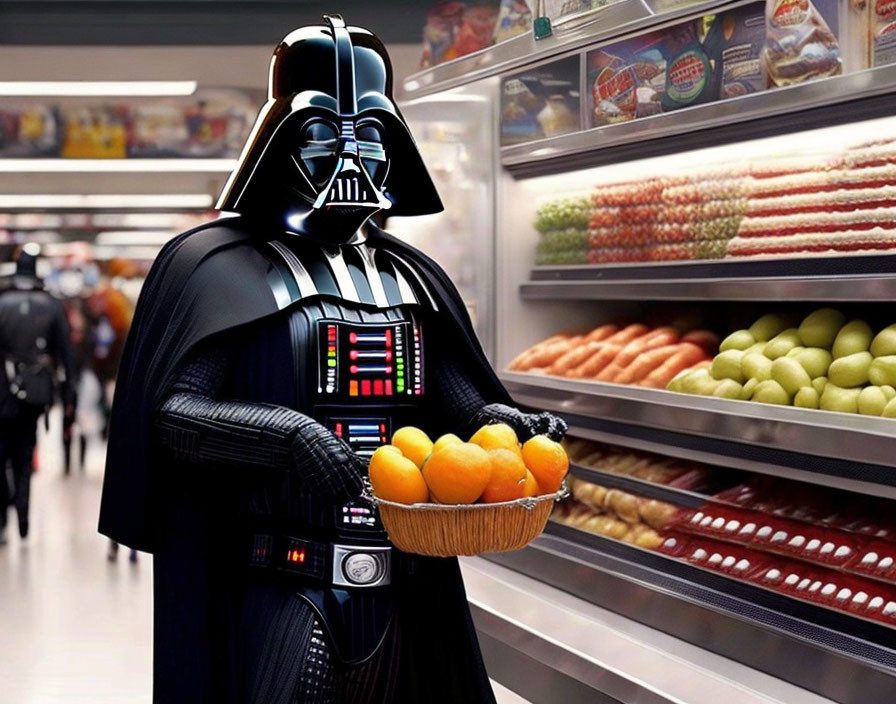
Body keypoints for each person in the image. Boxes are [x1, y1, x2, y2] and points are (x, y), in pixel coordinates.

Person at [99, 16, 565, 703]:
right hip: (282, 579)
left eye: (370, 136)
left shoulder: (411, 277)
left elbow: (459, 404)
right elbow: (173, 416)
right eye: (321, 136)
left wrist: (512, 426)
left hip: (409, 579)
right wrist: (285, 438)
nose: (350, 158)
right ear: (277, 143)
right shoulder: (219, 267)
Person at [0, 244, 76, 544]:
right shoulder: (52, 306)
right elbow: (66, 355)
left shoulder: (1, 302)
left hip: (2, 391)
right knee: (24, 450)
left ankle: (3, 515)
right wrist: (68, 395)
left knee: (1, 454)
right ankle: (23, 509)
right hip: (34, 393)